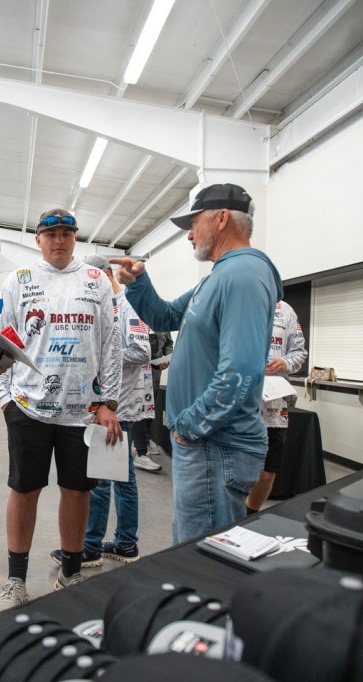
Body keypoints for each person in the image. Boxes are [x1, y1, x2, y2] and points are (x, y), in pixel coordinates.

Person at [111, 183, 282, 545]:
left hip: (213, 444)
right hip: (205, 444)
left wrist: (189, 427)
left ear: (221, 219)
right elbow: (164, 316)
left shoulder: (243, 274)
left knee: (201, 554)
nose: (189, 235)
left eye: (193, 223)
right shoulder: (217, 278)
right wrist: (138, 283)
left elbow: (241, 370)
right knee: (192, 547)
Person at [0, 209, 122, 611]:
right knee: (24, 491)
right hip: (28, 408)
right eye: (51, 234)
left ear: (75, 238)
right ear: (38, 240)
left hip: (83, 411)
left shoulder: (96, 280)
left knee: (77, 492)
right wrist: (5, 400)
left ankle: (71, 570)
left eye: (66, 233)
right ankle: (16, 580)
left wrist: (108, 402)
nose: (59, 240)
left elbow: (111, 344)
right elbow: (2, 342)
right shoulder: (19, 281)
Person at [54, 254, 150, 567]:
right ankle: (123, 544)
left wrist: (98, 352)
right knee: (117, 478)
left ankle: (92, 546)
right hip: (108, 405)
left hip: (119, 407)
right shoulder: (108, 305)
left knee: (105, 479)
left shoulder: (126, 305)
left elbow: (141, 350)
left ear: (105, 275)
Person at [245, 300, 306, 514]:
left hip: (274, 407)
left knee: (267, 473)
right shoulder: (237, 301)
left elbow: (299, 353)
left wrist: (285, 363)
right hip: (239, 403)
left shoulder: (285, 310)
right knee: (235, 469)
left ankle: (249, 516)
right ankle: (229, 516)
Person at [132, 330, 173, 472]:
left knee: (149, 411)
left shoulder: (163, 325)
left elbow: (168, 344)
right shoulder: (135, 322)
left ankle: (143, 444)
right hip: (137, 374)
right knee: (139, 410)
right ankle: (141, 452)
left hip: (155, 375)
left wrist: (167, 358)